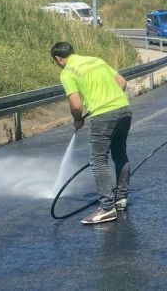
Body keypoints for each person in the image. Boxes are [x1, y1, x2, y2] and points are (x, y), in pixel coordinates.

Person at [51, 41, 132, 225]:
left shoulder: (68, 72)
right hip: (124, 109)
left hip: (103, 116)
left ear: (59, 59)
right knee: (120, 154)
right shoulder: (96, 60)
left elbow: (76, 105)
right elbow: (122, 82)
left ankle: (106, 208)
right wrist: (111, 101)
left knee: (98, 160)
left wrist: (78, 119)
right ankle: (121, 199)